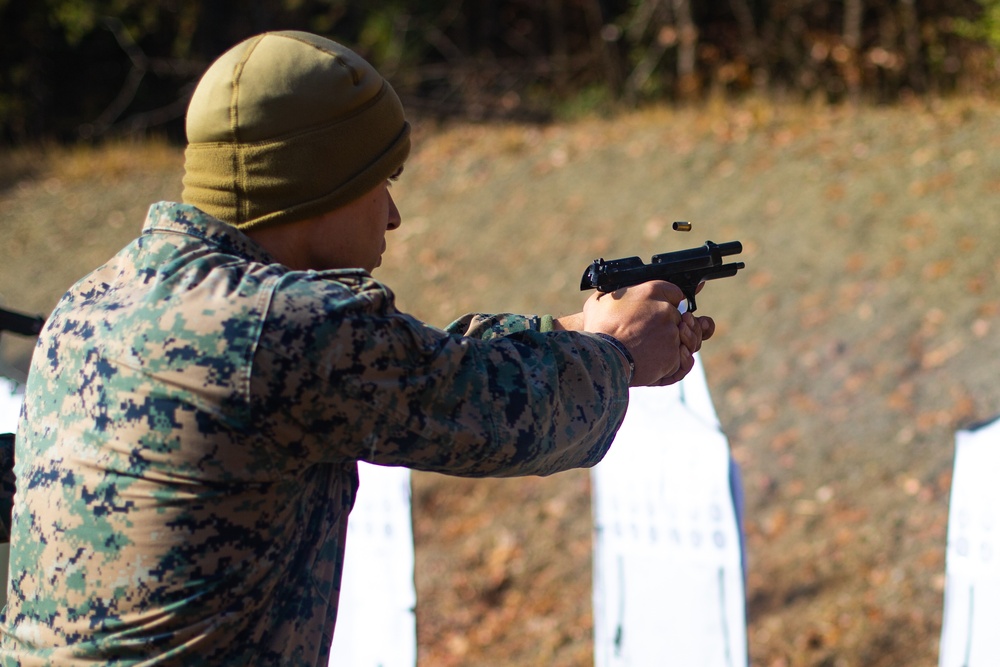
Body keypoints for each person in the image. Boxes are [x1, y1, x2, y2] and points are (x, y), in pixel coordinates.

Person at [0, 31, 715, 665]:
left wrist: (567, 330)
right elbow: (499, 421)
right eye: (382, 180)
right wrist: (618, 354)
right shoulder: (284, 326)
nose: (394, 214)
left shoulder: (98, 298)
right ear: (319, 182)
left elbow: (417, 365)